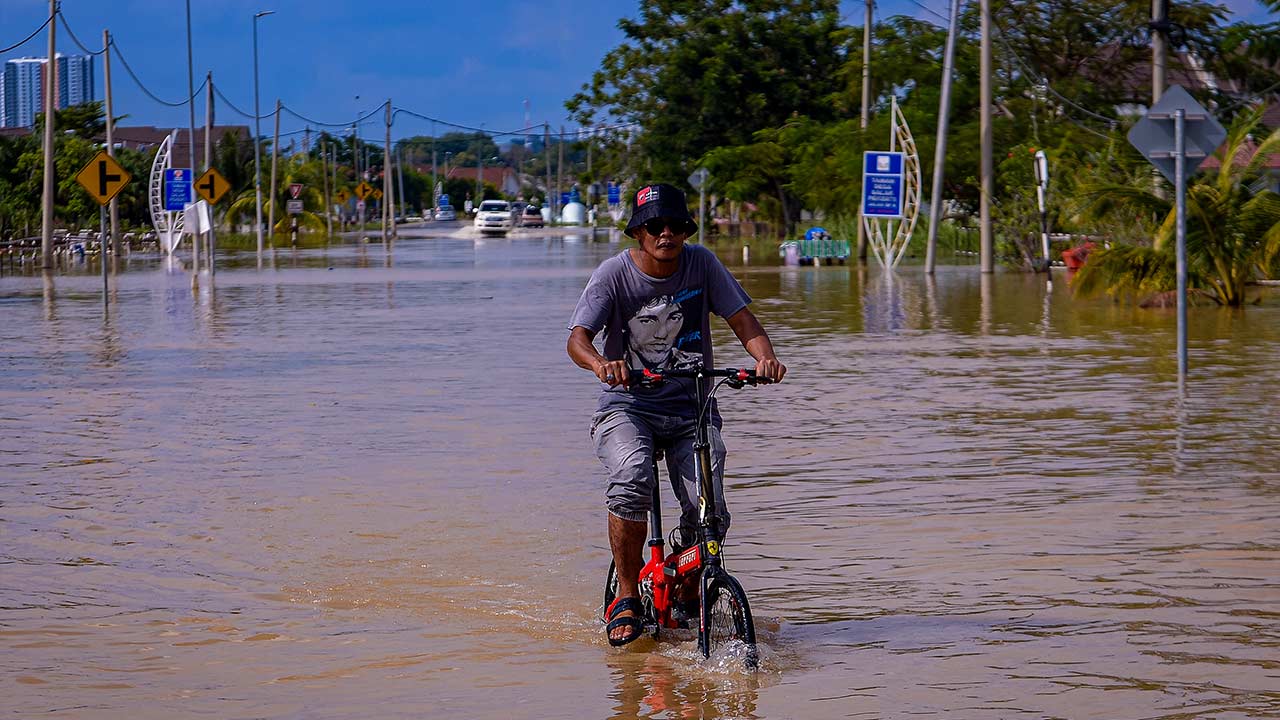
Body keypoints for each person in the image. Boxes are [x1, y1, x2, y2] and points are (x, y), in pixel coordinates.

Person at [566, 183, 786, 646]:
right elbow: (577, 339)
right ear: (638, 233)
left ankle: (685, 587)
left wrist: (764, 358)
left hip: (693, 408)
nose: (666, 234)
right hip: (628, 407)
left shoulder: (702, 263)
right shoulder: (613, 275)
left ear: (686, 231)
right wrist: (602, 364)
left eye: (675, 227)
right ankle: (626, 596)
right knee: (631, 477)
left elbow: (744, 322)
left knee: (712, 509)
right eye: (654, 227)